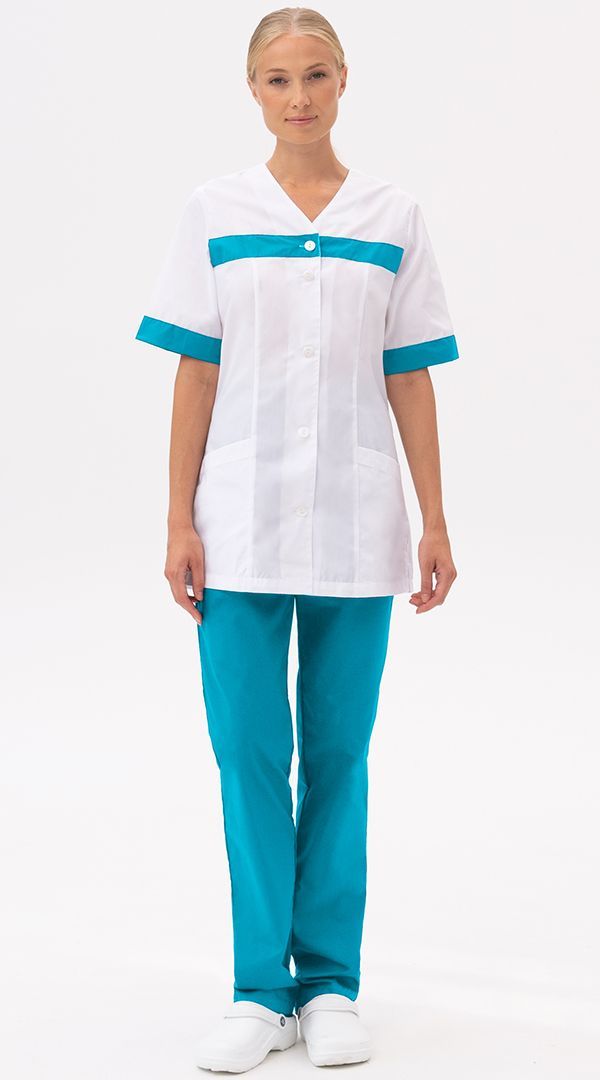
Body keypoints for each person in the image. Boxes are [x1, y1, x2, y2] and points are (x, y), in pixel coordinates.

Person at [134, 6, 459, 1072]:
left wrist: (435, 518)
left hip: (359, 524)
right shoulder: (216, 210)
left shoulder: (393, 214)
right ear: (253, 91)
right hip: (236, 523)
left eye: (316, 75)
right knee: (248, 756)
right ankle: (256, 990)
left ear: (345, 80)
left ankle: (327, 984)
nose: (300, 97)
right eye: (278, 80)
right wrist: (178, 515)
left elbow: (409, 374)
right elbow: (196, 369)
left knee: (338, 757)